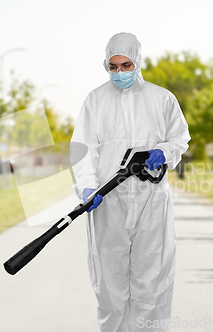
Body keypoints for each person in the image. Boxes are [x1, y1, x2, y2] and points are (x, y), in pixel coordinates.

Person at [71, 32, 191, 332]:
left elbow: (180, 138)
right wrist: (87, 186)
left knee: (152, 283)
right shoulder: (95, 100)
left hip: (152, 200)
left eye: (126, 65)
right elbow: (82, 149)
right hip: (108, 202)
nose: (120, 72)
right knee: (109, 287)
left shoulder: (162, 98)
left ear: (137, 62)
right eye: (113, 67)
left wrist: (163, 151)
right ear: (106, 65)